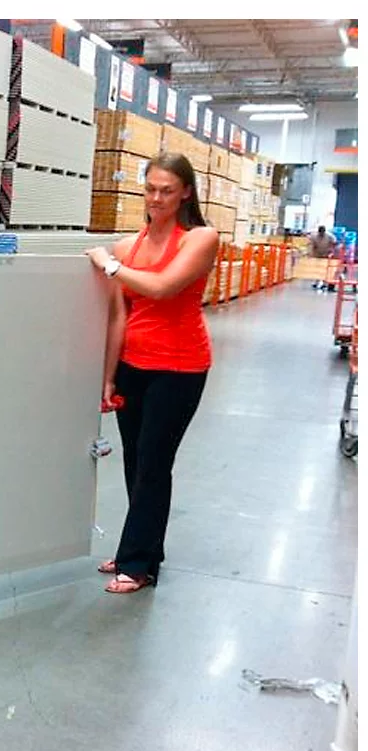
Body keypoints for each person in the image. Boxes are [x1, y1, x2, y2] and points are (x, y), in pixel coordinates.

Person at [85, 153, 219, 594]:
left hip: (179, 368)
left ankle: (137, 563)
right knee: (134, 462)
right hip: (133, 367)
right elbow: (120, 318)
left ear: (185, 192)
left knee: (153, 465)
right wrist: (108, 377)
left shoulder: (200, 239)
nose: (157, 198)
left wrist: (110, 265)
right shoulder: (129, 247)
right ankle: (139, 549)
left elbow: (162, 288)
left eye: (166, 189)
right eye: (150, 188)